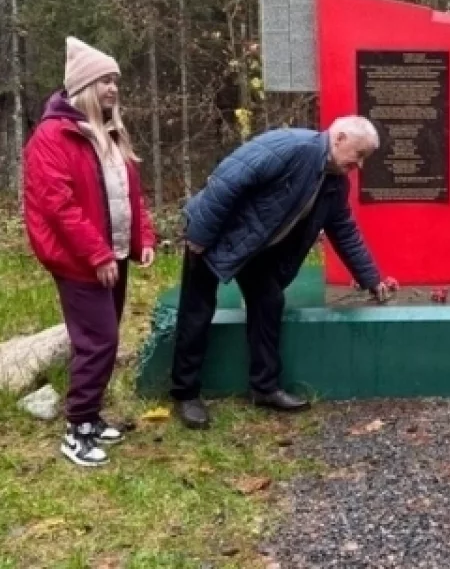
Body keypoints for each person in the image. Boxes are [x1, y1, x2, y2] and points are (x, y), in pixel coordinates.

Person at [170, 116, 393, 430]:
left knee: (269, 303)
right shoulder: (290, 147)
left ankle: (264, 388)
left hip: (258, 249)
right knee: (197, 310)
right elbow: (229, 179)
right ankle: (186, 393)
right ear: (339, 137)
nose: (360, 165)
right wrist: (201, 233)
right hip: (215, 235)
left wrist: (370, 278)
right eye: (359, 155)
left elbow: (343, 229)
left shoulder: (334, 182)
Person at [23, 37, 157, 468]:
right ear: (83, 86)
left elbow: (130, 195)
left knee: (105, 337)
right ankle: (76, 429)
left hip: (111, 254)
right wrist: (97, 255)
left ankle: (92, 417)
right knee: (99, 341)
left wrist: (143, 239)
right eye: (104, 81)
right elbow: (59, 206)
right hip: (80, 260)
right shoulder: (52, 136)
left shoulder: (110, 132)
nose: (113, 88)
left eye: (115, 80)